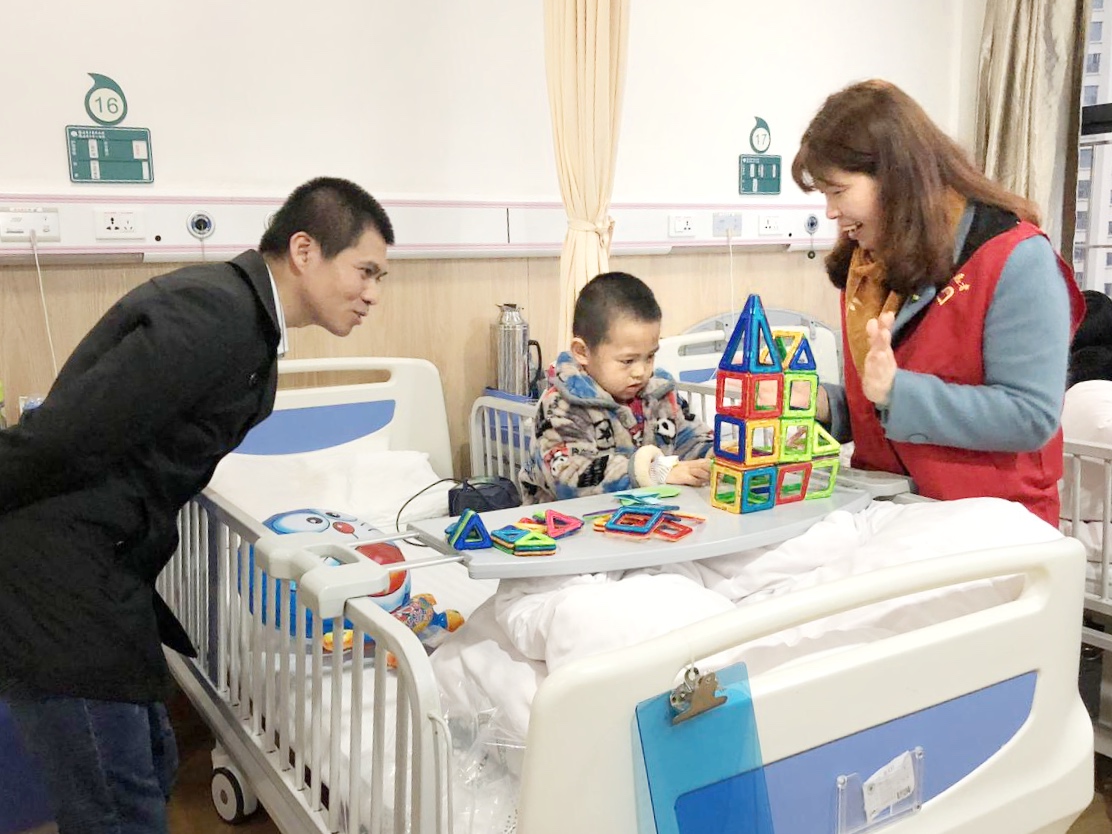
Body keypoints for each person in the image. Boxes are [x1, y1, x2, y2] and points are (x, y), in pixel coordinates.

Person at [0, 176, 394, 833]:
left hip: (103, 570)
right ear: (304, 250)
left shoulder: (246, 325)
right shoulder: (216, 316)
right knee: (116, 810)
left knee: (151, 769)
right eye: (366, 271)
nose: (373, 294)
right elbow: (66, 436)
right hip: (57, 581)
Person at [792, 79, 1083, 525]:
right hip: (889, 507)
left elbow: (1030, 416)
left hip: (989, 517)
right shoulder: (870, 268)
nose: (830, 212)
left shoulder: (1016, 259)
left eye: (838, 191)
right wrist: (823, 405)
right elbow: (881, 405)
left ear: (894, 179)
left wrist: (898, 392)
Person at [518, 271, 713, 504]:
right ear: (582, 352)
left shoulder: (660, 394)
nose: (641, 371)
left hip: (645, 515)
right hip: (565, 521)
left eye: (650, 356)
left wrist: (718, 455)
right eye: (627, 361)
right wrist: (654, 472)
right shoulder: (560, 405)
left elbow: (690, 439)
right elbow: (569, 477)